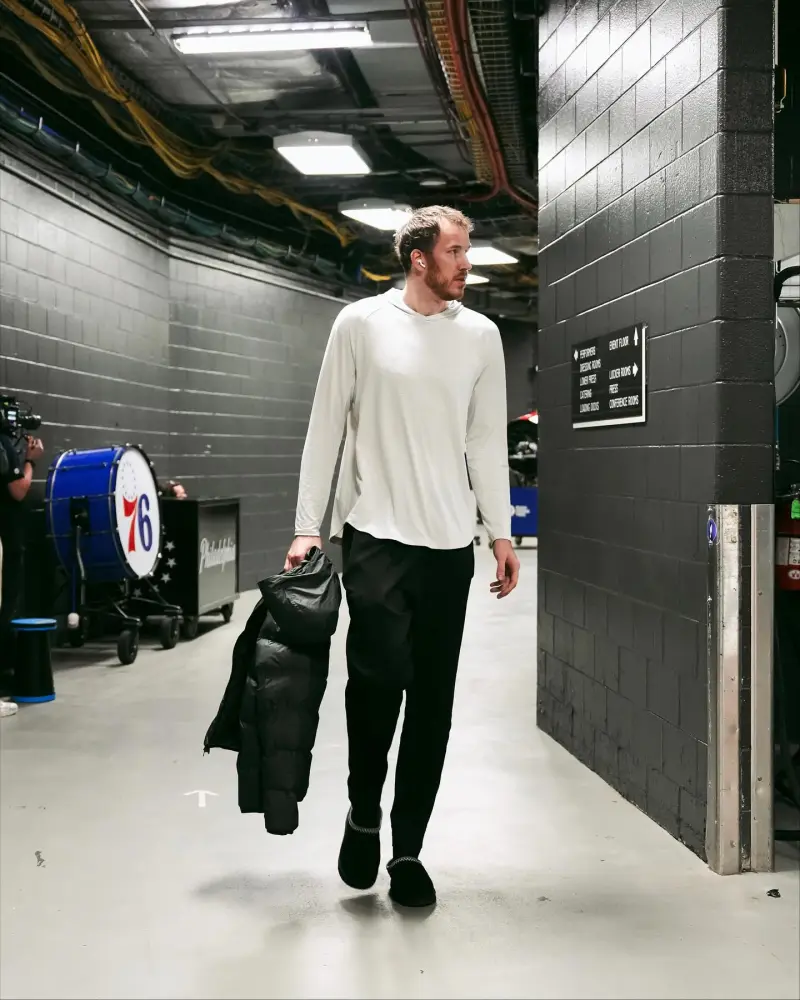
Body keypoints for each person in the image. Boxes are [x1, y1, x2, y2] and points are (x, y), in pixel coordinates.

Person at [284, 205, 520, 908]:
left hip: (450, 547)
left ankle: (408, 849)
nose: (466, 263)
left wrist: (499, 531)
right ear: (418, 258)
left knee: (433, 705)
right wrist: (309, 526)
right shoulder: (360, 325)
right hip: (377, 537)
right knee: (377, 681)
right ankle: (362, 812)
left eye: (466, 250)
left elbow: (485, 442)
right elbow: (326, 425)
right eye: (455, 250)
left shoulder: (480, 336)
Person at [0, 432, 44, 694]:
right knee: (7, 604)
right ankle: (5, 673)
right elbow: (18, 490)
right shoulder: (3, 442)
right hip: (6, 537)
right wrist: (30, 461)